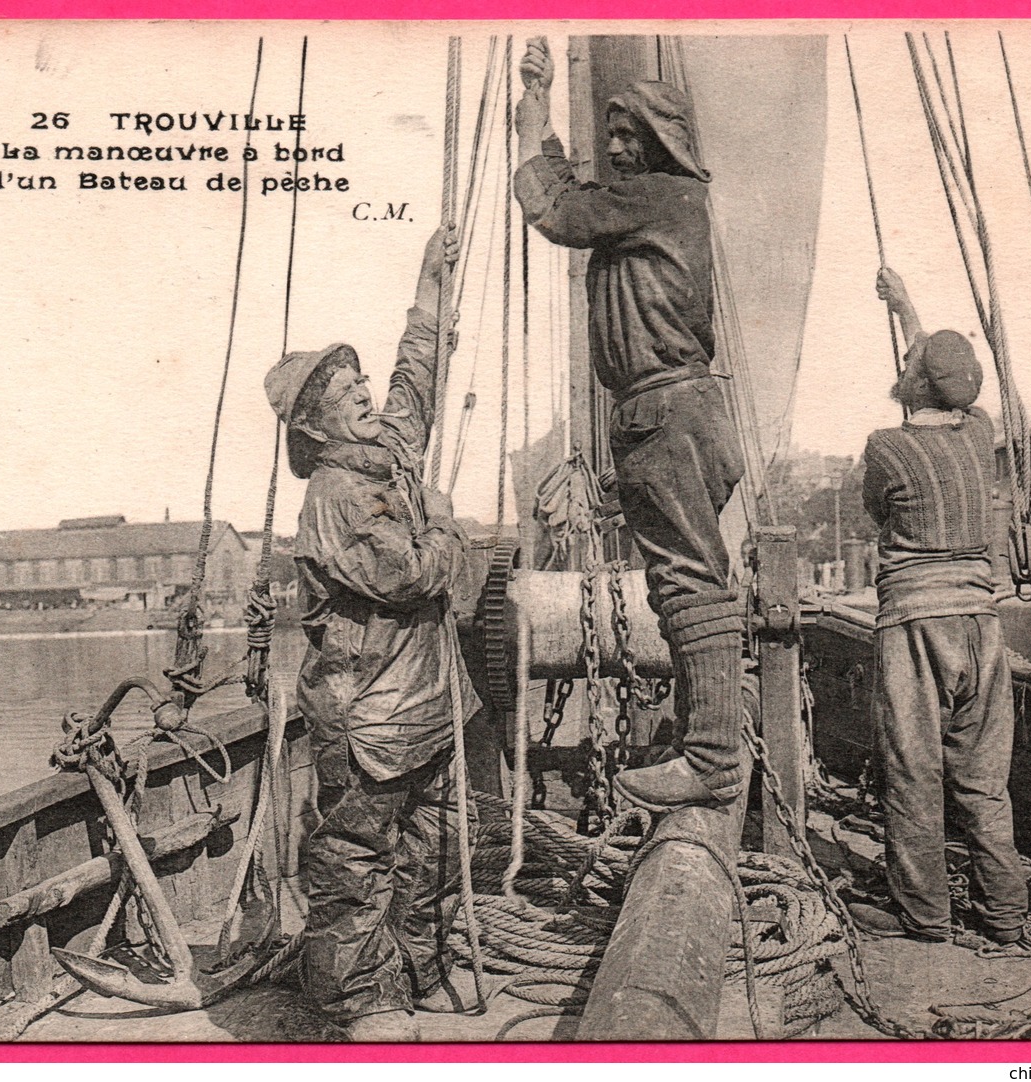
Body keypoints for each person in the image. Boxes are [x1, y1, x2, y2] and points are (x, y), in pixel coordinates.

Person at [511, 37, 747, 813]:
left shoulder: (659, 195)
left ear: (658, 143)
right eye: (609, 134)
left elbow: (552, 209)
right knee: (684, 585)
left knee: (686, 583)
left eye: (626, 137)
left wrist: (529, 124)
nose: (612, 149)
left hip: (665, 412)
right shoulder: (652, 202)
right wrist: (543, 113)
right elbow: (575, 192)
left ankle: (711, 760)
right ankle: (702, 745)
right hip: (669, 413)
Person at [263, 227, 479, 1042]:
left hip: (422, 705)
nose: (360, 392)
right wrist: (451, 529)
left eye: (357, 379)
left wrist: (428, 292)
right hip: (370, 722)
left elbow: (413, 389)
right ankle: (360, 1006)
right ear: (315, 428)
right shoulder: (336, 496)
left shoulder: (383, 456)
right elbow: (408, 575)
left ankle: (413, 972)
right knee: (353, 861)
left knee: (431, 845)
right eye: (340, 391)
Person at [851, 267, 1027, 946]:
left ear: (911, 381)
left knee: (912, 770)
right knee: (983, 778)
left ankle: (924, 916)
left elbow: (876, 514)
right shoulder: (979, 435)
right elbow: (935, 365)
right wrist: (907, 308)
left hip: (914, 627)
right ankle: (1006, 916)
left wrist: (906, 318)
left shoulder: (885, 448)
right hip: (981, 629)